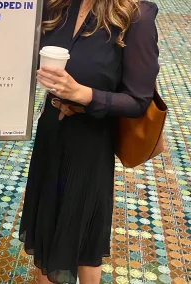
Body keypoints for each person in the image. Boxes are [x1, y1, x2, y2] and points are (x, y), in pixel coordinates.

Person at [19, 0, 159, 283]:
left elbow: (139, 100)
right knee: (48, 222)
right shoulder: (56, 6)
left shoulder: (135, 15)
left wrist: (83, 94)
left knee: (84, 235)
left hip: (91, 138)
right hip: (51, 129)